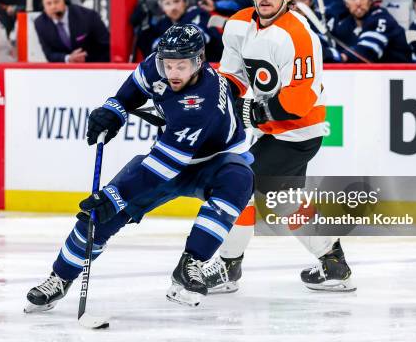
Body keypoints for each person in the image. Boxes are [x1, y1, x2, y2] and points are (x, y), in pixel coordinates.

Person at [24, 23, 254, 311]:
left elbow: (162, 168)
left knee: (239, 179)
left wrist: (116, 196)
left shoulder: (201, 101)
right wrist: (112, 111)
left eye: (181, 66)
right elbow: (129, 94)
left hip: (216, 162)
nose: (172, 72)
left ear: (198, 61)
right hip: (172, 157)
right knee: (98, 216)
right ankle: (59, 278)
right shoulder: (157, 65)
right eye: (168, 64)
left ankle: (191, 265)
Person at [203, 0, 356, 294]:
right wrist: (221, 102)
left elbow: (301, 98)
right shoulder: (239, 23)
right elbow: (233, 76)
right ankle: (333, 262)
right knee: (285, 200)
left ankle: (229, 266)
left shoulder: (299, 35)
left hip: (298, 132)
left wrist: (256, 113)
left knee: (235, 183)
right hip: (267, 131)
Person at [133, 0, 222, 62]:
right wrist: (144, 27)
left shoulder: (198, 14)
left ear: (185, 2)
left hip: (212, 70)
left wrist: (160, 44)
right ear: (162, 7)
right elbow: (150, 54)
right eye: (167, 3)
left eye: (176, 1)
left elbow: (194, 40)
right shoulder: (163, 23)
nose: (173, 7)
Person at [329, 0, 411, 62]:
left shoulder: (381, 18)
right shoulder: (345, 24)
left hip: (400, 74)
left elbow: (367, 52)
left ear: (370, 0)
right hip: (369, 74)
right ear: (346, 3)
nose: (358, 3)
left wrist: (339, 57)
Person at [34, 0, 110, 62]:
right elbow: (49, 54)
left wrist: (86, 58)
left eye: (56, 2)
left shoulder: (88, 16)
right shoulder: (40, 23)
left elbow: (106, 46)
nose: (53, 7)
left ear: (65, 0)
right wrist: (68, 58)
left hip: (93, 66)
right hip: (63, 71)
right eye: (48, 4)